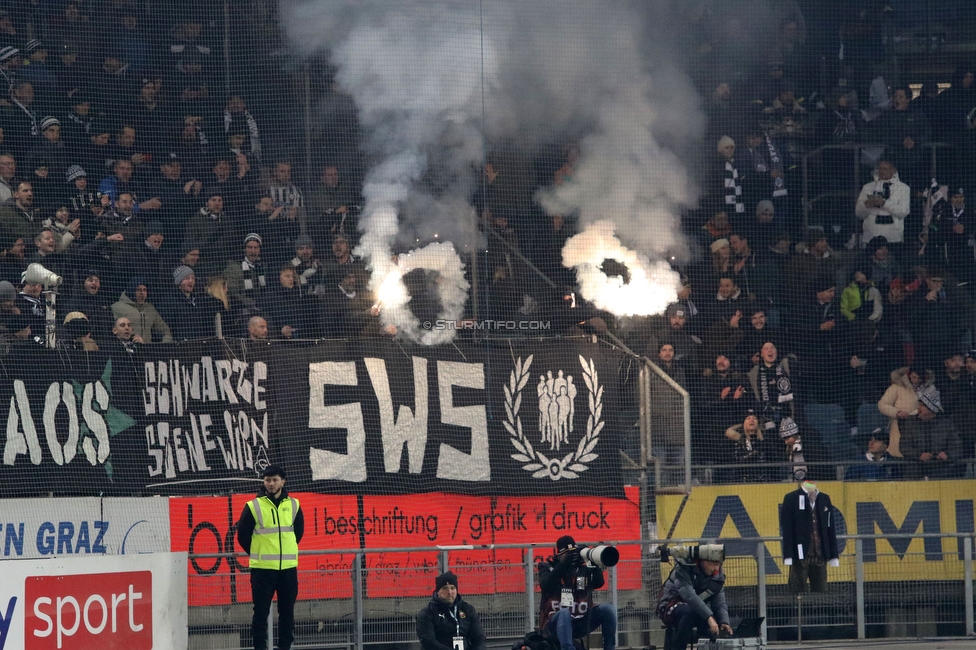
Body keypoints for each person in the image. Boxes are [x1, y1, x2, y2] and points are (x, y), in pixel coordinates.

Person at [236, 465, 304, 650]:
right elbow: (242, 535)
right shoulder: (253, 506)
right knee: (260, 613)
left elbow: (298, 533)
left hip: (288, 570)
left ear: (283, 481)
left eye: (274, 480)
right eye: (267, 480)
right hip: (263, 570)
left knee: (287, 613)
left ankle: (284, 647)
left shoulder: (294, 505)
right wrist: (258, 553)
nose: (271, 483)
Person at [538, 535, 616, 650]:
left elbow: (598, 583)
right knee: (564, 613)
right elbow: (546, 585)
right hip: (553, 623)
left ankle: (610, 648)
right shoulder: (547, 567)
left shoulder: (582, 569)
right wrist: (563, 565)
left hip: (579, 621)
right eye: (568, 554)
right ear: (559, 555)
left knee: (608, 609)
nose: (572, 557)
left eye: (574, 553)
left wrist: (593, 563)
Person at [657, 544, 732, 650]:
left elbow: (720, 603)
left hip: (694, 608)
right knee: (693, 612)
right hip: (669, 606)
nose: (716, 568)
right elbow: (689, 596)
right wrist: (709, 617)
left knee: (704, 616)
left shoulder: (717, 575)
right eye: (714, 564)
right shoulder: (682, 569)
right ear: (704, 561)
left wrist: (724, 622)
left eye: (719, 565)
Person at [779, 481, 840, 593]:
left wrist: (833, 555)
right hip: (800, 554)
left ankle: (819, 610)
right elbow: (787, 528)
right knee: (797, 589)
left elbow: (830, 528)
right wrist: (788, 555)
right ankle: (798, 610)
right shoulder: (791, 498)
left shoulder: (824, 498)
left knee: (821, 590)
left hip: (820, 553)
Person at [416, 571, 486, 650]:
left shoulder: (468, 610)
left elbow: (479, 638)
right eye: (445, 588)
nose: (449, 592)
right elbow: (428, 641)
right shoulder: (428, 613)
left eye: (452, 588)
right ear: (438, 591)